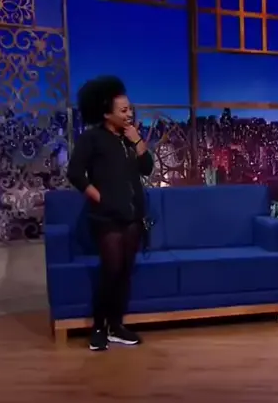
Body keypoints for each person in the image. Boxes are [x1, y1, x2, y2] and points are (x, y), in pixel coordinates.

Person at [66, 76, 154, 351]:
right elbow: (75, 173)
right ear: (106, 113)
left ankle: (116, 326)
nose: (129, 114)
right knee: (111, 271)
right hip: (107, 219)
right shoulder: (92, 138)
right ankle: (98, 328)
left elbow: (147, 168)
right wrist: (98, 197)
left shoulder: (129, 138)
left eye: (130, 109)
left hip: (133, 217)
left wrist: (137, 140)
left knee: (125, 272)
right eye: (123, 110)